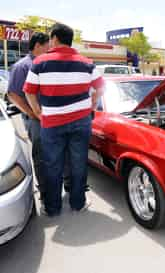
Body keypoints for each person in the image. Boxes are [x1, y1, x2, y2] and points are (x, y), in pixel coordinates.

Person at [23, 23, 104, 216]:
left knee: (52, 164)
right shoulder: (86, 62)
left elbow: (29, 91)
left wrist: (38, 112)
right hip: (81, 122)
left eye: (50, 39)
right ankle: (78, 203)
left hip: (52, 123)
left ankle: (52, 208)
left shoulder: (40, 62)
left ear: (55, 38)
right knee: (78, 162)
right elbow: (100, 88)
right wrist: (91, 105)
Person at [7, 32, 50, 201]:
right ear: (38, 45)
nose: (49, 49)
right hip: (35, 120)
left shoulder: (45, 64)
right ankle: (45, 191)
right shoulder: (22, 66)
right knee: (40, 154)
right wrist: (32, 113)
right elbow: (13, 95)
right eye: (48, 46)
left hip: (50, 117)